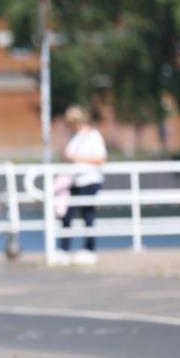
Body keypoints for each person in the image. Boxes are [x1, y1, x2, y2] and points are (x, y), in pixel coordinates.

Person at [58, 105, 107, 264]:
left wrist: (76, 158)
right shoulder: (74, 137)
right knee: (67, 214)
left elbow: (100, 159)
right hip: (74, 180)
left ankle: (89, 248)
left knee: (88, 215)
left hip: (89, 180)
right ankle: (64, 249)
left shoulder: (93, 136)